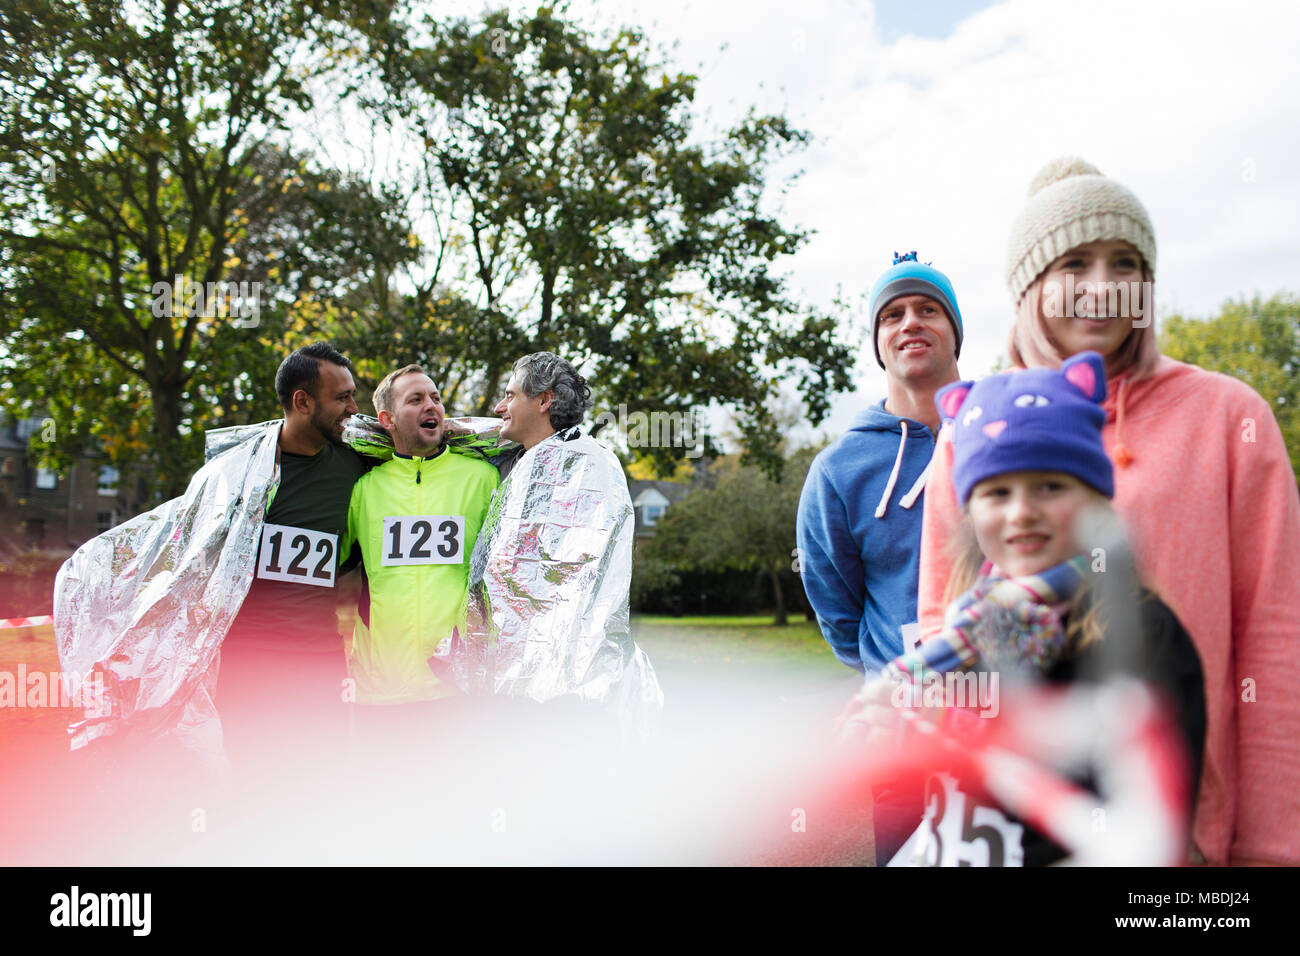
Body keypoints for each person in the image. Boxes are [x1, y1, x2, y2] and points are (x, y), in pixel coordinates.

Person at [915, 157, 1300, 865]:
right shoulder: (970, 426)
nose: (1105, 286)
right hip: (1011, 829)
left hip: (1184, 832)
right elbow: (942, 620)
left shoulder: (1228, 416)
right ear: (1030, 285)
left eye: (1127, 263)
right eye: (1074, 263)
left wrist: (1273, 846)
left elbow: (1276, 639)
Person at [846, 352, 1206, 866]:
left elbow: (1150, 819)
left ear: (1094, 497)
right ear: (970, 511)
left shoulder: (1141, 633)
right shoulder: (974, 625)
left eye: (1050, 486)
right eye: (997, 492)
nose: (1021, 512)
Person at [460, 352, 662, 737]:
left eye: (510, 395)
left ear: (543, 400)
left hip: (560, 693)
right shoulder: (518, 463)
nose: (500, 407)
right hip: (514, 683)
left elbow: (572, 584)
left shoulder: (587, 466)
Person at [796, 252, 964, 674]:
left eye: (929, 309)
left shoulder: (1004, 432)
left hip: (1016, 702)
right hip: (903, 713)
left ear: (955, 332)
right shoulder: (837, 471)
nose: (910, 322)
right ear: (878, 343)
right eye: (892, 315)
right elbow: (838, 614)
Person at [216, 343, 369, 775]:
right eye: (342, 397)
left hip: (320, 662)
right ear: (302, 401)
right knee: (256, 787)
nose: (353, 408)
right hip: (249, 666)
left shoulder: (354, 465)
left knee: (321, 785)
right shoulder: (238, 474)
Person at [341, 364, 499, 732]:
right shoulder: (363, 488)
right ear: (388, 419)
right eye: (415, 399)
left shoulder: (483, 479)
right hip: (379, 693)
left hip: (456, 692)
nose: (431, 405)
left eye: (436, 398)